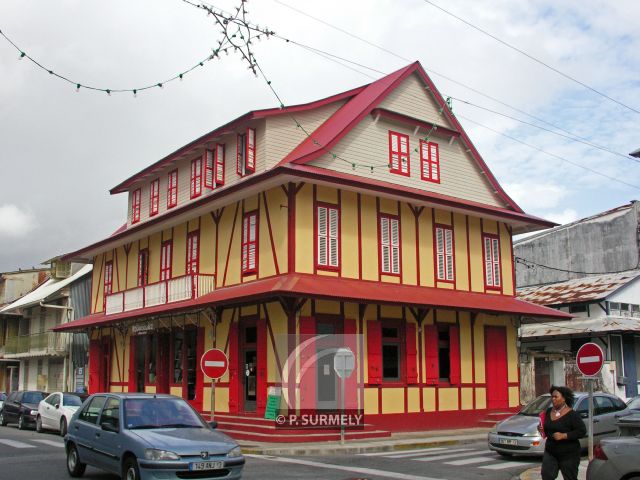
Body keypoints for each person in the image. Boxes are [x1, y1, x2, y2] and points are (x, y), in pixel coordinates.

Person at [541, 386, 586, 480]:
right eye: (552, 397)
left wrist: (564, 435)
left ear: (564, 398)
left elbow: (582, 431)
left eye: (555, 397)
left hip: (569, 454)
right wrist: (541, 429)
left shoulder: (572, 415)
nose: (553, 399)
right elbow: (547, 429)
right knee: (546, 476)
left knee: (570, 477)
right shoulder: (549, 411)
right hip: (551, 451)